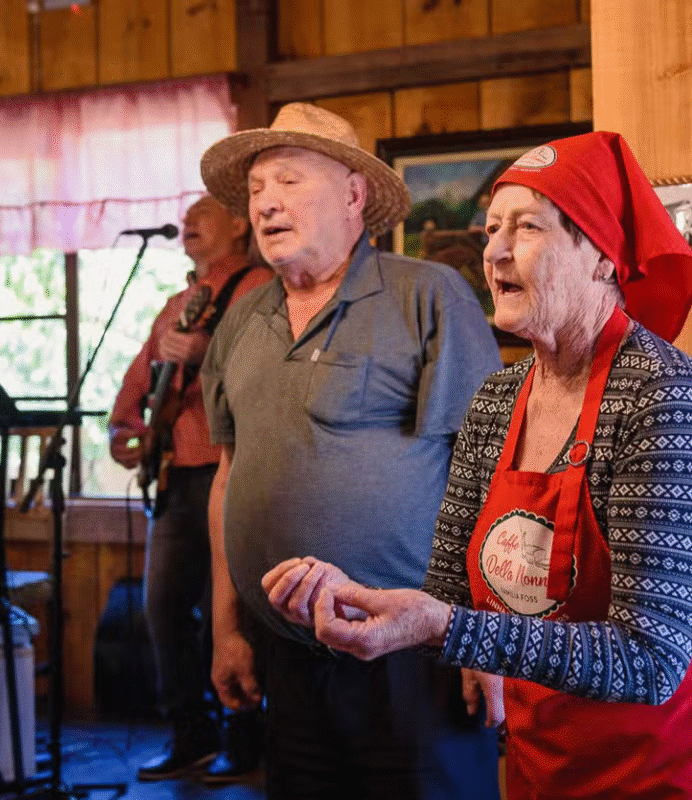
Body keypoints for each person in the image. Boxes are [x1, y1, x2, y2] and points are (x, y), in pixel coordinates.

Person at [262, 131, 692, 798]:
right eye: (491, 230)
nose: (495, 251)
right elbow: (449, 596)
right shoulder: (498, 400)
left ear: (603, 257)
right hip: (551, 759)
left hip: (678, 764)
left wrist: (445, 627)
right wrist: (356, 601)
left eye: (527, 228)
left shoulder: (663, 396)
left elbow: (651, 662)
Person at [197, 102, 503, 800]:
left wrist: (483, 635)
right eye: (257, 189)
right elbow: (227, 478)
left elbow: (492, 473)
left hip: (414, 658)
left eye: (289, 181)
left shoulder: (428, 295)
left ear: (353, 195)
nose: (266, 203)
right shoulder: (242, 318)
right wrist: (226, 629)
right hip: (287, 658)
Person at [108, 194, 272, 782]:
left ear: (240, 225)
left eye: (204, 212)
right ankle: (190, 731)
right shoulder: (176, 305)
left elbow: (269, 374)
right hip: (176, 477)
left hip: (233, 471)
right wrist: (126, 433)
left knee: (229, 612)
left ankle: (243, 735)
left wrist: (209, 353)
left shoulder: (260, 290)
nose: (189, 222)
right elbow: (136, 389)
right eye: (187, 216)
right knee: (163, 607)